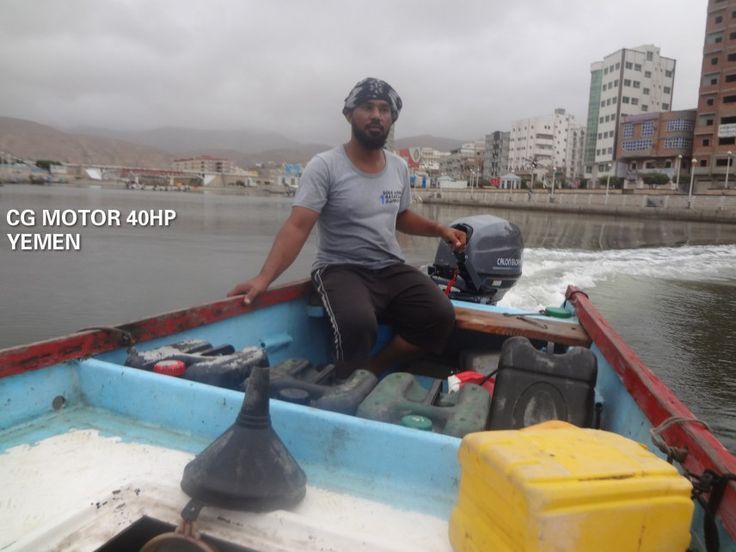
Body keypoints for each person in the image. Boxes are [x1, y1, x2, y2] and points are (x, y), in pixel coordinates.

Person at [228, 77, 466, 377]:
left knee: (440, 315)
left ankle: (373, 369)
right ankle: (343, 382)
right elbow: (298, 226)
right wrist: (264, 278)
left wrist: (440, 230)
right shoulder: (325, 166)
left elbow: (400, 215)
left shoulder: (398, 167)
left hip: (389, 267)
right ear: (349, 114)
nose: (376, 115)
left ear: (392, 118)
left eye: (384, 109)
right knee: (357, 324)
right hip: (340, 268)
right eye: (367, 107)